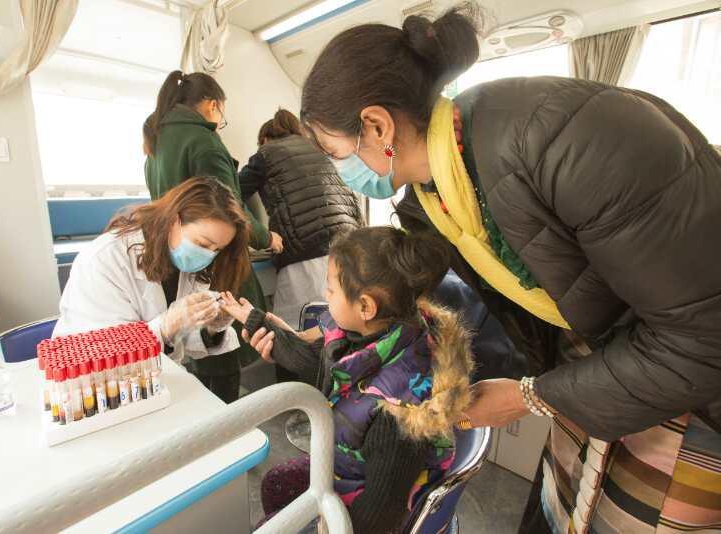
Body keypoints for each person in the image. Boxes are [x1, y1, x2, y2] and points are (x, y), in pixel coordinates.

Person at [299, 5, 721, 533]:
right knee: (561, 513)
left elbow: (703, 339)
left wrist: (531, 396)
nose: (338, 169)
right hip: (597, 369)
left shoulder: (569, 143)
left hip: (692, 392)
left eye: (333, 151)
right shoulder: (434, 196)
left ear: (377, 124)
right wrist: (333, 330)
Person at [220, 226, 474, 533]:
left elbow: (377, 519)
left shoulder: (399, 413)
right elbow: (315, 358)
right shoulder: (383, 330)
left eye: (330, 290)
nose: (325, 296)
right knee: (275, 483)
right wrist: (256, 321)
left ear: (365, 306)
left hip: (366, 513)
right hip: (350, 469)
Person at [143, 70, 281, 402]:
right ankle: (225, 420)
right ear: (211, 105)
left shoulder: (155, 141)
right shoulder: (204, 142)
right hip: (215, 261)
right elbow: (229, 208)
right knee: (222, 347)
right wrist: (266, 239)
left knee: (193, 347)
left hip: (176, 259)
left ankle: (206, 413)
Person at [54, 178, 248, 364]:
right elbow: (104, 350)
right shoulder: (106, 259)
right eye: (203, 244)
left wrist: (210, 327)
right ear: (174, 220)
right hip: (94, 379)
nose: (207, 255)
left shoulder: (185, 260)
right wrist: (167, 325)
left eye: (217, 250)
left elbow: (182, 340)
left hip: (156, 375)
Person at [238, 109, 362, 330]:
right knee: (338, 326)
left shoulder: (266, 154)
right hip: (349, 249)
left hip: (304, 253)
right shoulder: (322, 149)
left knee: (291, 330)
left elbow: (230, 193)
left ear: (265, 139)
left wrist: (261, 235)